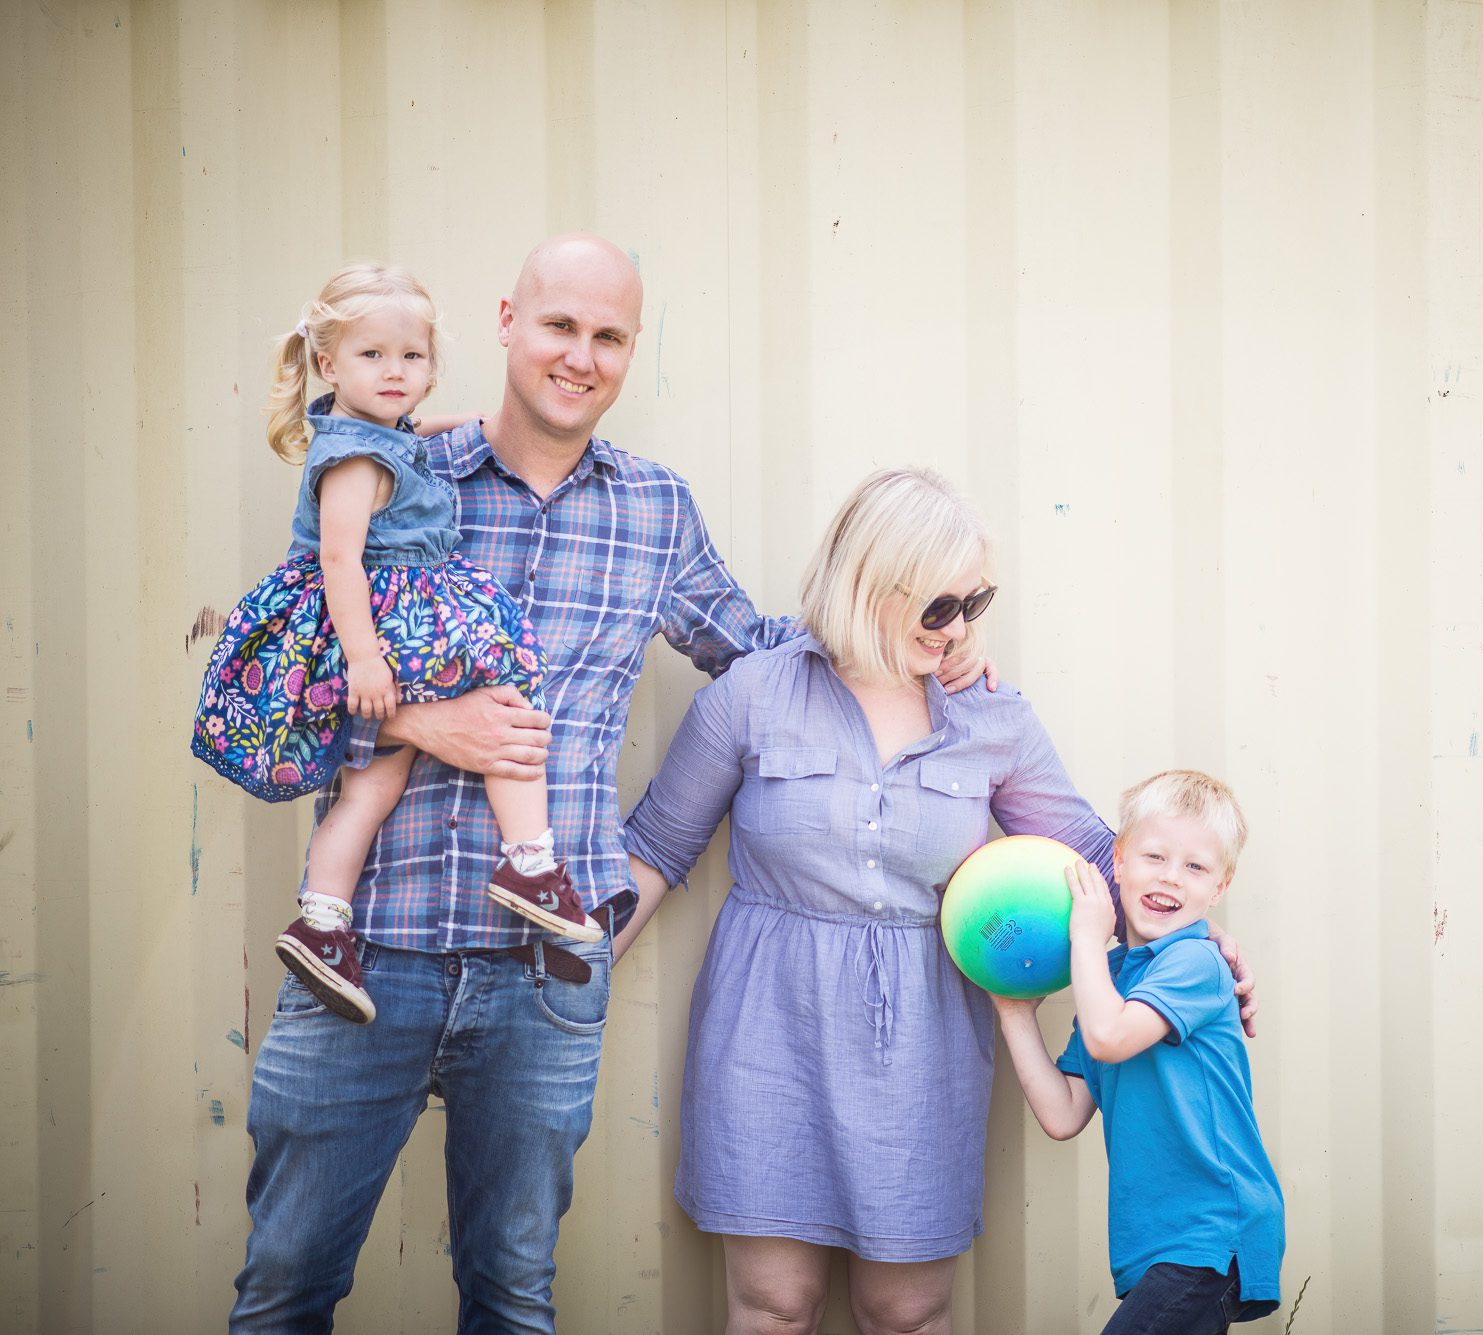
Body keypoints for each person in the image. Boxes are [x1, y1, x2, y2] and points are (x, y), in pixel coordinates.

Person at [227, 235, 990, 1334]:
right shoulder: (396, 473)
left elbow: (765, 648)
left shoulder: (653, 510)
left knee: (511, 1293)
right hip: (366, 952)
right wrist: (427, 723)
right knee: (287, 1286)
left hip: (544, 974)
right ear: (503, 323)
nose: (578, 356)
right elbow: (285, 662)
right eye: (557, 326)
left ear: (630, 351)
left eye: (607, 336)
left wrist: (930, 635)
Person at [616, 469, 1259, 1335]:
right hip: (770, 1027)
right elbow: (653, 850)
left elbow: (1098, 860)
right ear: (867, 588)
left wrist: (1197, 939)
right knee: (774, 1305)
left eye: (975, 602)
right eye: (938, 607)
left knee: (907, 1310)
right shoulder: (753, 694)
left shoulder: (992, 719)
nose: (961, 628)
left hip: (921, 1040)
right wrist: (560, 986)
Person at [193, 262, 598, 1027]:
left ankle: (322, 918)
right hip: (383, 625)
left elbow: (408, 443)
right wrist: (366, 659)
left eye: (411, 357)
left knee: (372, 788)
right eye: (372, 355)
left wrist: (464, 426)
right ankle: (530, 861)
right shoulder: (352, 459)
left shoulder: (378, 436)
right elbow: (338, 559)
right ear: (329, 363)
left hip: (389, 620)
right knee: (508, 696)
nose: (394, 371)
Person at [992, 769, 1284, 1334]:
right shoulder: (1116, 985)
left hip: (1211, 1230)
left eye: (1195, 867)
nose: (1172, 878)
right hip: (1161, 1241)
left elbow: (1109, 1036)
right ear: (1118, 863)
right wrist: (1013, 1012)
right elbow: (1063, 1111)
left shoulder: (1195, 963)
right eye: (1155, 857)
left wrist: (1086, 936)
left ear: (1219, 888)